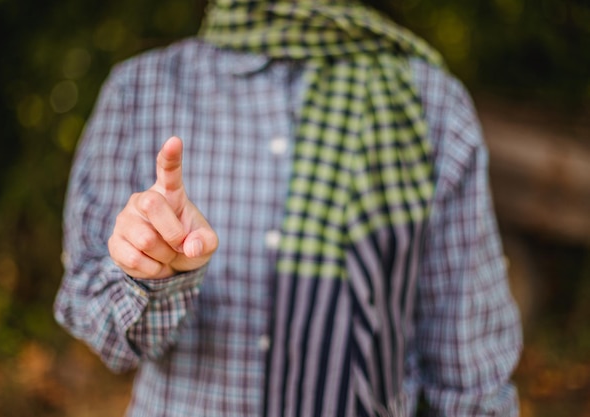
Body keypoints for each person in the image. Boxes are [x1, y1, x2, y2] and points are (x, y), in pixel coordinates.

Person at [53, 0, 523, 416]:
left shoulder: (433, 105)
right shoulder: (141, 91)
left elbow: (469, 372)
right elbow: (99, 325)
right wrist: (153, 274)